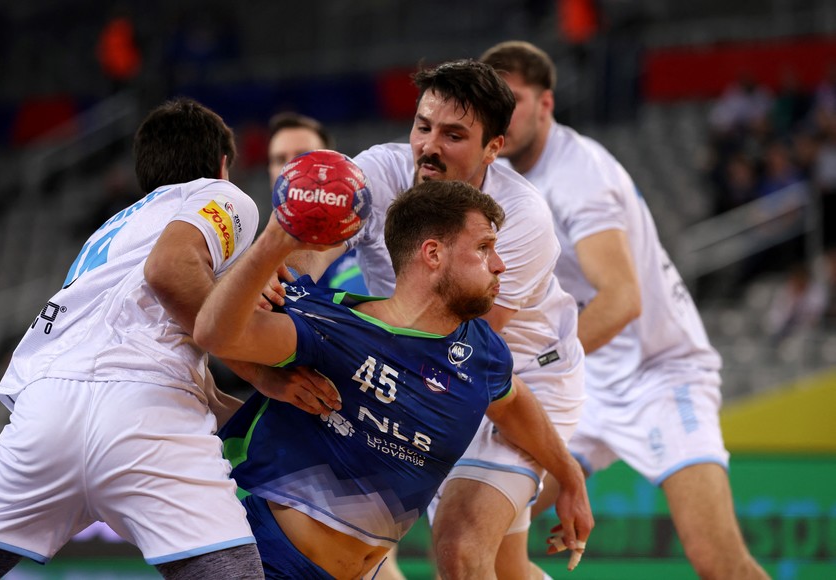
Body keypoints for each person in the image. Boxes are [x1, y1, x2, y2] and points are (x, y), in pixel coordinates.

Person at [0, 97, 339, 579]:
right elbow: (167, 271)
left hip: (43, 413)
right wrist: (263, 375)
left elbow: (165, 346)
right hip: (144, 410)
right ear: (223, 165)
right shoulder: (222, 196)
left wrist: (259, 416)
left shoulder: (113, 230)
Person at [289, 59, 592, 579]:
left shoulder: (520, 218)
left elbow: (465, 344)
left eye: (454, 135)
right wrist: (292, 284)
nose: (429, 146)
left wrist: (568, 473)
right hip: (415, 369)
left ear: (493, 147)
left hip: (519, 380)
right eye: (422, 126)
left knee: (459, 549)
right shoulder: (378, 174)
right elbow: (308, 260)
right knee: (504, 568)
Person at [194, 179, 586, 579]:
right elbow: (213, 334)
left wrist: (569, 476)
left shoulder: (482, 352)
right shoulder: (328, 324)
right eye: (484, 248)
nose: (500, 263)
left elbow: (514, 404)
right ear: (433, 253)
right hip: (270, 561)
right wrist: (270, 248)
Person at [481, 40, 770, 579]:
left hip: (658, 375)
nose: (503, 111)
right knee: (480, 526)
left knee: (720, 564)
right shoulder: (495, 176)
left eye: (514, 98)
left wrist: (535, 367)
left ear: (546, 104)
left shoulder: (577, 174)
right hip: (589, 382)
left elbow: (621, 300)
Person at [267, 111, 368, 294]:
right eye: (280, 159)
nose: (292, 170)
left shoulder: (368, 247)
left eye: (303, 157)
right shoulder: (254, 262)